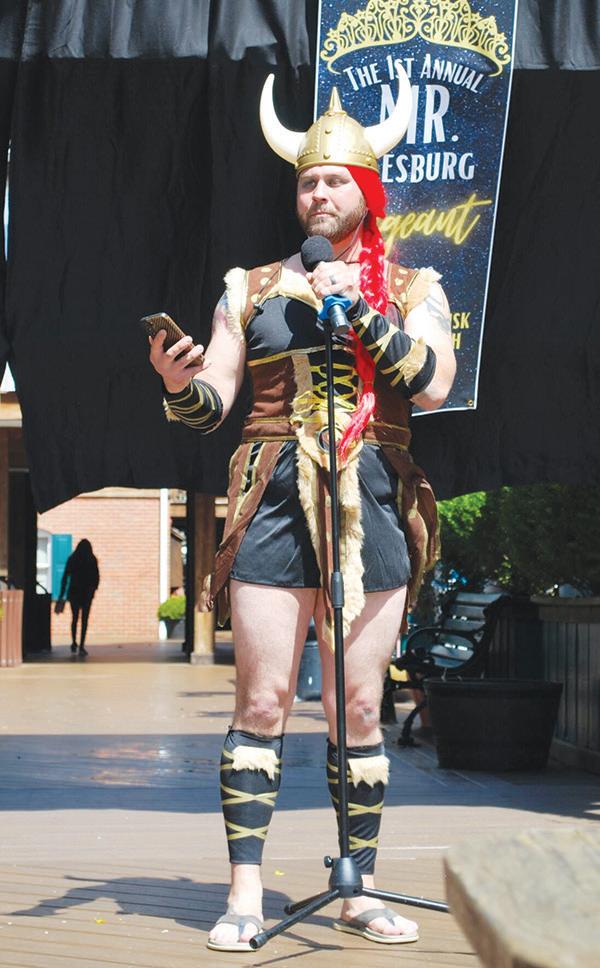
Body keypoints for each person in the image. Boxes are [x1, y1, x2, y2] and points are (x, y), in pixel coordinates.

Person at [149, 70, 455, 952]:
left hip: (375, 498)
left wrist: (362, 315)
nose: (318, 193)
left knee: (358, 705)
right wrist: (178, 383)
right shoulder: (248, 286)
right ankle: (246, 894)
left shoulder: (413, 286)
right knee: (263, 697)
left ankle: (357, 889)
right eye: (307, 181)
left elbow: (433, 384)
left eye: (334, 180)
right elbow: (215, 400)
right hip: (273, 495)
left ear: (367, 191)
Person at [56, 539, 100, 656]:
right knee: (84, 620)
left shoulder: (73, 559)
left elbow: (65, 577)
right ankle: (81, 645)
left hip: (74, 592)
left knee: (75, 618)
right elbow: (96, 578)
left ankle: (74, 642)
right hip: (87, 594)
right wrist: (93, 590)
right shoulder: (92, 560)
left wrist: (61, 594)